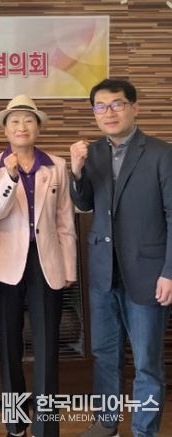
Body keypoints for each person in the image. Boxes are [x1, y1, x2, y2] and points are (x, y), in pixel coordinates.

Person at [69, 79, 172, 437]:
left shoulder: (161, 153)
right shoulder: (93, 152)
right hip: (103, 271)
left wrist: (170, 271)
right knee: (104, 353)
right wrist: (76, 171)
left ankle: (144, 430)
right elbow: (85, 204)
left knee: (146, 362)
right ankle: (106, 423)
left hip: (148, 274)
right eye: (100, 106)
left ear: (134, 108)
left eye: (117, 104)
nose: (109, 112)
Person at [0, 95, 77, 437]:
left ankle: (46, 427)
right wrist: (9, 177)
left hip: (46, 263)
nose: (21, 127)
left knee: (48, 346)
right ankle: (15, 424)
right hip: (5, 265)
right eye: (14, 121)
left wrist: (69, 269)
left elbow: (65, 222)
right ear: (5, 129)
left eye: (28, 121)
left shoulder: (57, 166)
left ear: (38, 127)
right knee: (9, 346)